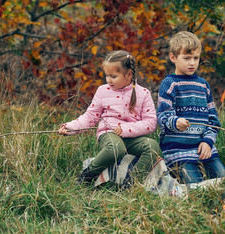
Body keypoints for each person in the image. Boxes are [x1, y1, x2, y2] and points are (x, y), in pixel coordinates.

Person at [58, 50, 161, 186]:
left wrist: (126, 129)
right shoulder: (103, 91)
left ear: (129, 74)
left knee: (152, 146)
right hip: (109, 134)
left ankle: (132, 183)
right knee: (115, 148)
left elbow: (151, 123)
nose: (108, 80)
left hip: (133, 138)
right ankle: (88, 176)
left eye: (113, 76)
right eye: (107, 75)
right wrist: (70, 128)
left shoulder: (143, 93)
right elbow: (90, 117)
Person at [157, 31, 225, 184]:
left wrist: (208, 141)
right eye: (187, 58)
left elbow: (213, 120)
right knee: (195, 185)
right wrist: (175, 122)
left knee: (223, 179)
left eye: (196, 58)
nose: (192, 63)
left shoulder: (203, 85)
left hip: (203, 148)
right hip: (178, 151)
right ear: (173, 58)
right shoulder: (170, 84)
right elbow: (162, 116)